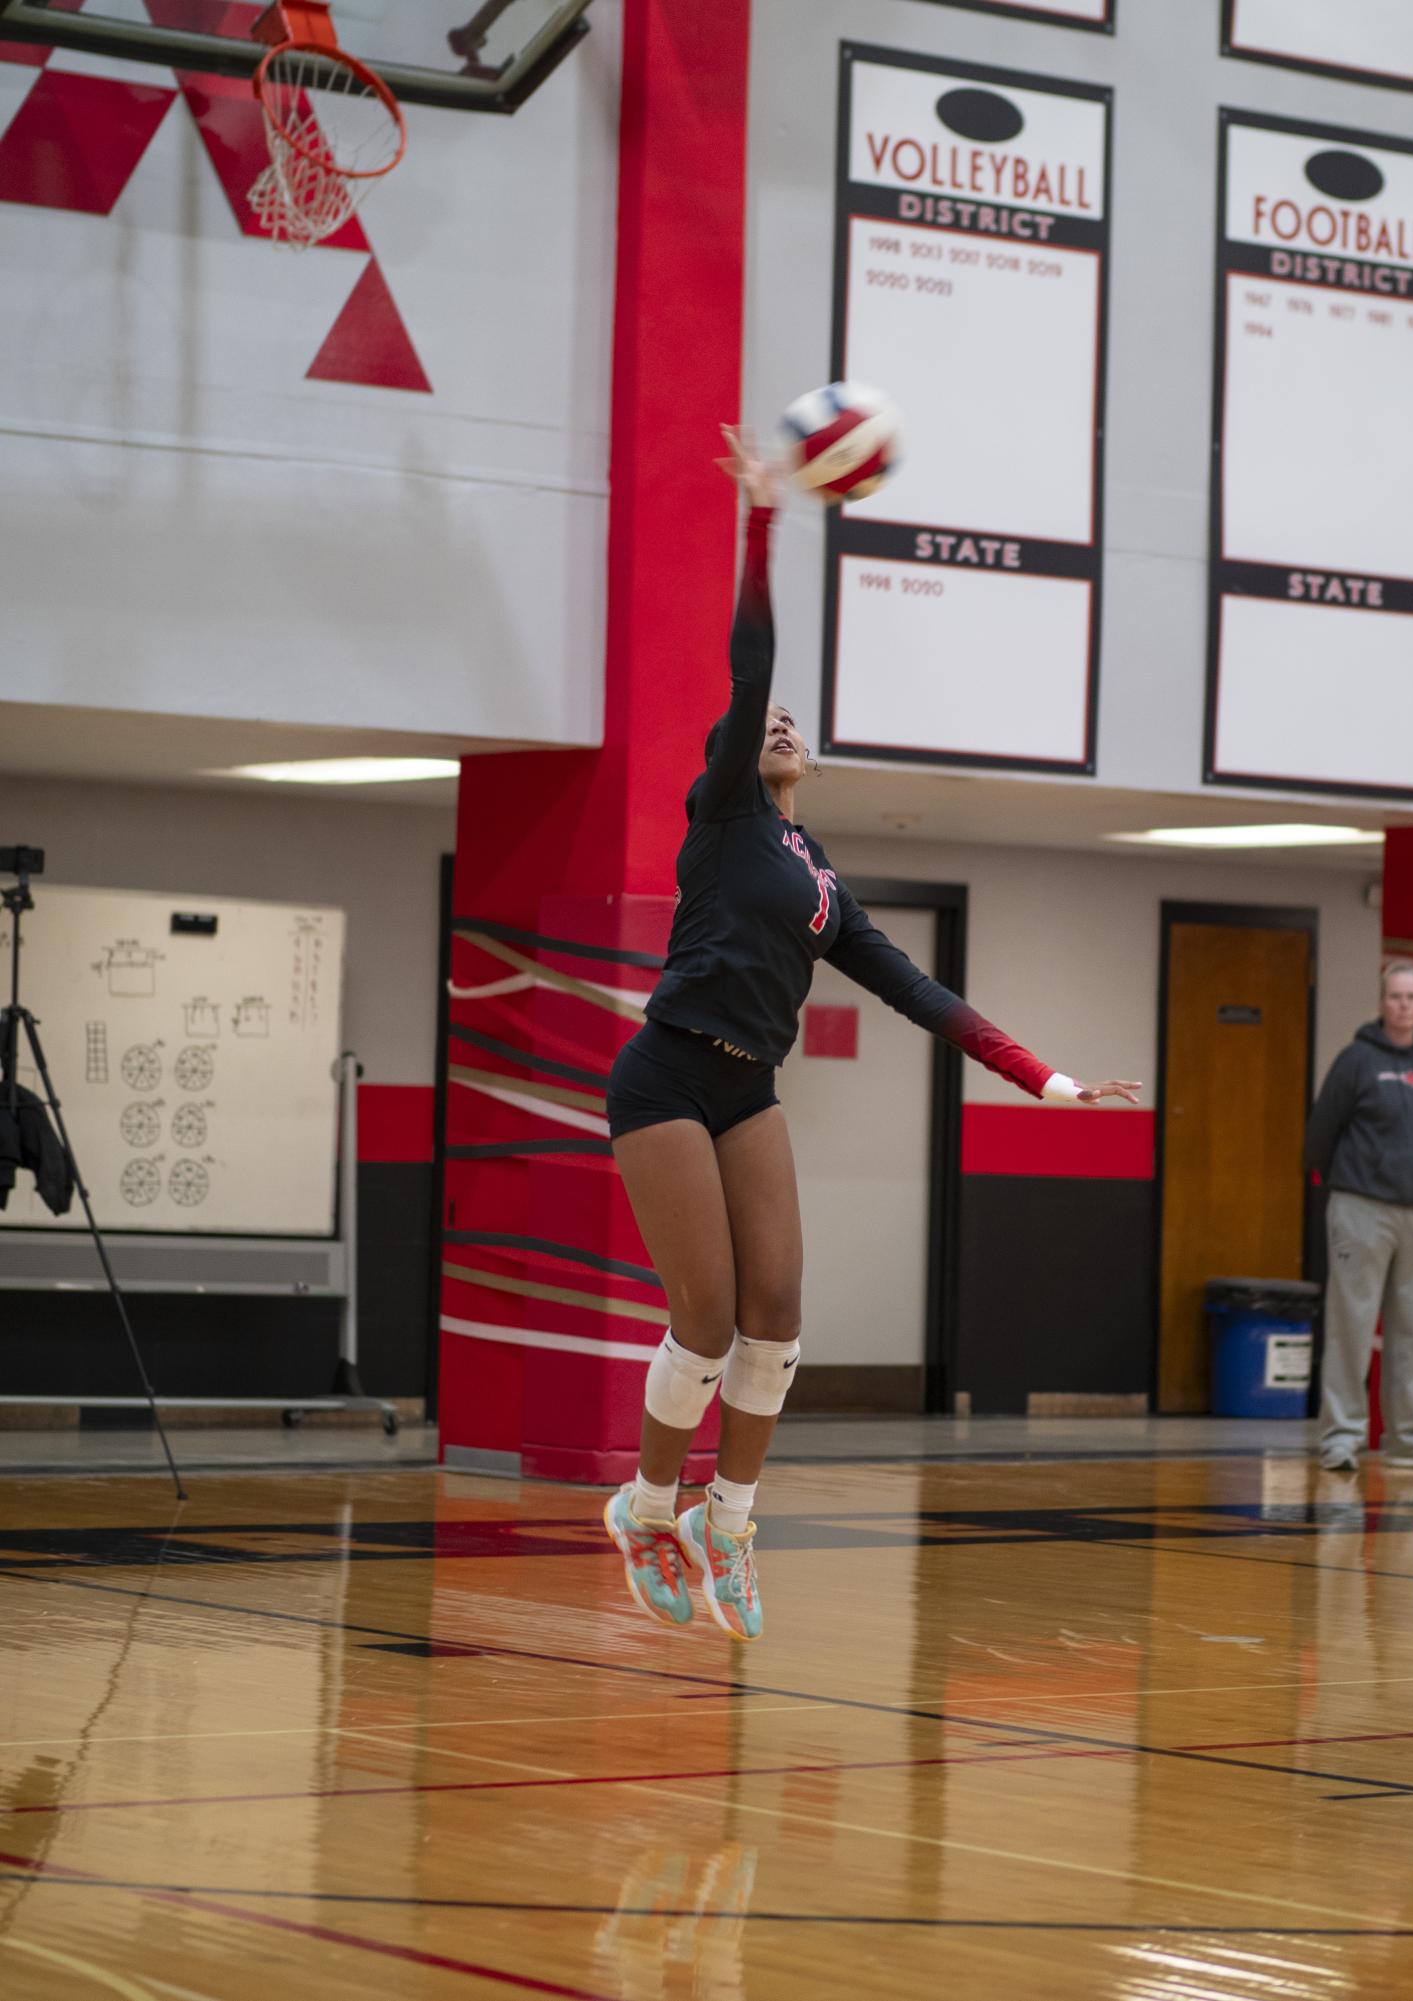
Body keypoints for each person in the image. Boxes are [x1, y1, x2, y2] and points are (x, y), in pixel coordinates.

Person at [602, 429, 1141, 1641]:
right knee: (705, 1308)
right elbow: (749, 674)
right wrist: (761, 522)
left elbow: (917, 991)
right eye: (765, 727)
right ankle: (643, 1503)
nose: (781, 726)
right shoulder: (726, 812)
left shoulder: (818, 880)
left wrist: (1047, 1082)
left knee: (778, 1310)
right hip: (666, 1075)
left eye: (796, 726)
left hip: (749, 1088)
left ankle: (725, 1523)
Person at [1305, 962, 1413, 1475]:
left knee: (1412, 1329)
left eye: (1412, 997)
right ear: (1382, 1003)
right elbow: (1321, 1131)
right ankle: (1342, 1437)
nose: (1403, 1005)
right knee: (1351, 1326)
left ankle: (1408, 1437)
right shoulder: (1356, 1060)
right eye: (1394, 997)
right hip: (1362, 1208)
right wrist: (1341, 1188)